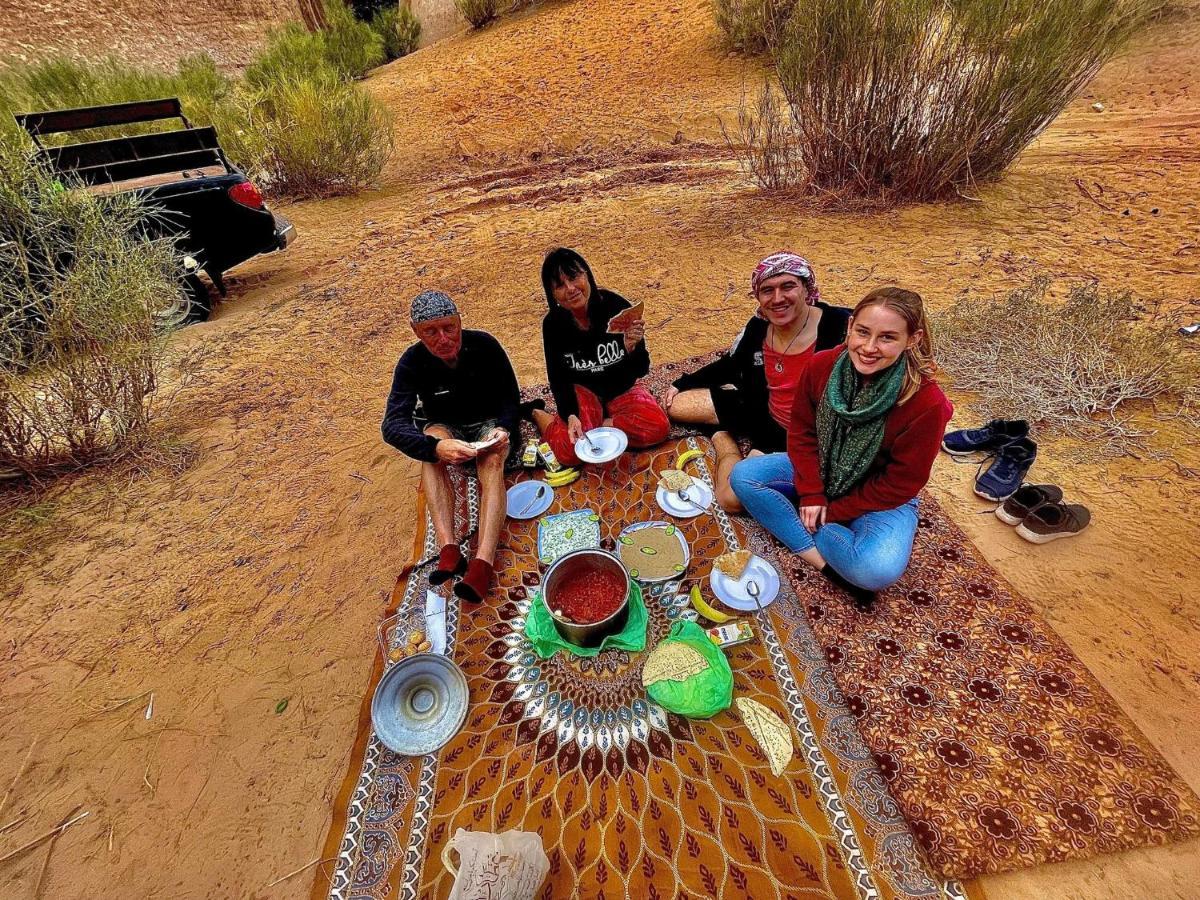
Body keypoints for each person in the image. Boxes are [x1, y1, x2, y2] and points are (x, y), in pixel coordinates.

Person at [730, 287, 953, 610]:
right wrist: (812, 495)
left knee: (876, 570)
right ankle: (819, 560)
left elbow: (901, 483)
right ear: (849, 327)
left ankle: (803, 523)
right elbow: (803, 434)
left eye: (888, 337)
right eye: (863, 332)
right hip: (823, 469)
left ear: (913, 339)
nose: (869, 348)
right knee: (744, 476)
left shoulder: (926, 403)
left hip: (880, 497)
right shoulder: (821, 366)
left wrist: (831, 512)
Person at [664, 252, 850, 512]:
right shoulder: (759, 327)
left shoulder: (843, 328)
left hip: (800, 435)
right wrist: (684, 381)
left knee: (730, 499)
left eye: (788, 286)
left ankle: (724, 441)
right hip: (762, 412)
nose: (777, 299)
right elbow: (732, 363)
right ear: (758, 297)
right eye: (767, 290)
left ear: (807, 288)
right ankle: (729, 428)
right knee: (674, 405)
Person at [381, 290, 520, 604]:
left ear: (460, 323)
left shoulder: (485, 345)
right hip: (448, 427)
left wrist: (502, 429)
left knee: (493, 460)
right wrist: (435, 449)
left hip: (487, 422)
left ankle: (482, 561)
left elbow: (511, 397)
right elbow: (392, 425)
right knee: (429, 448)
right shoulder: (411, 362)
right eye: (431, 332)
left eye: (449, 328)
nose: (443, 338)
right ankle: (449, 548)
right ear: (417, 333)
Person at [531, 248, 670, 466]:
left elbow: (642, 369)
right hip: (584, 393)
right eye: (559, 285)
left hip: (619, 388)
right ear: (552, 294)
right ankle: (537, 413)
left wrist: (632, 349)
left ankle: (598, 426)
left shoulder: (616, 307)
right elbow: (558, 378)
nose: (570, 289)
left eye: (574, 277)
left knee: (659, 427)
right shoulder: (553, 325)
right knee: (569, 454)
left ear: (587, 275)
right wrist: (570, 415)